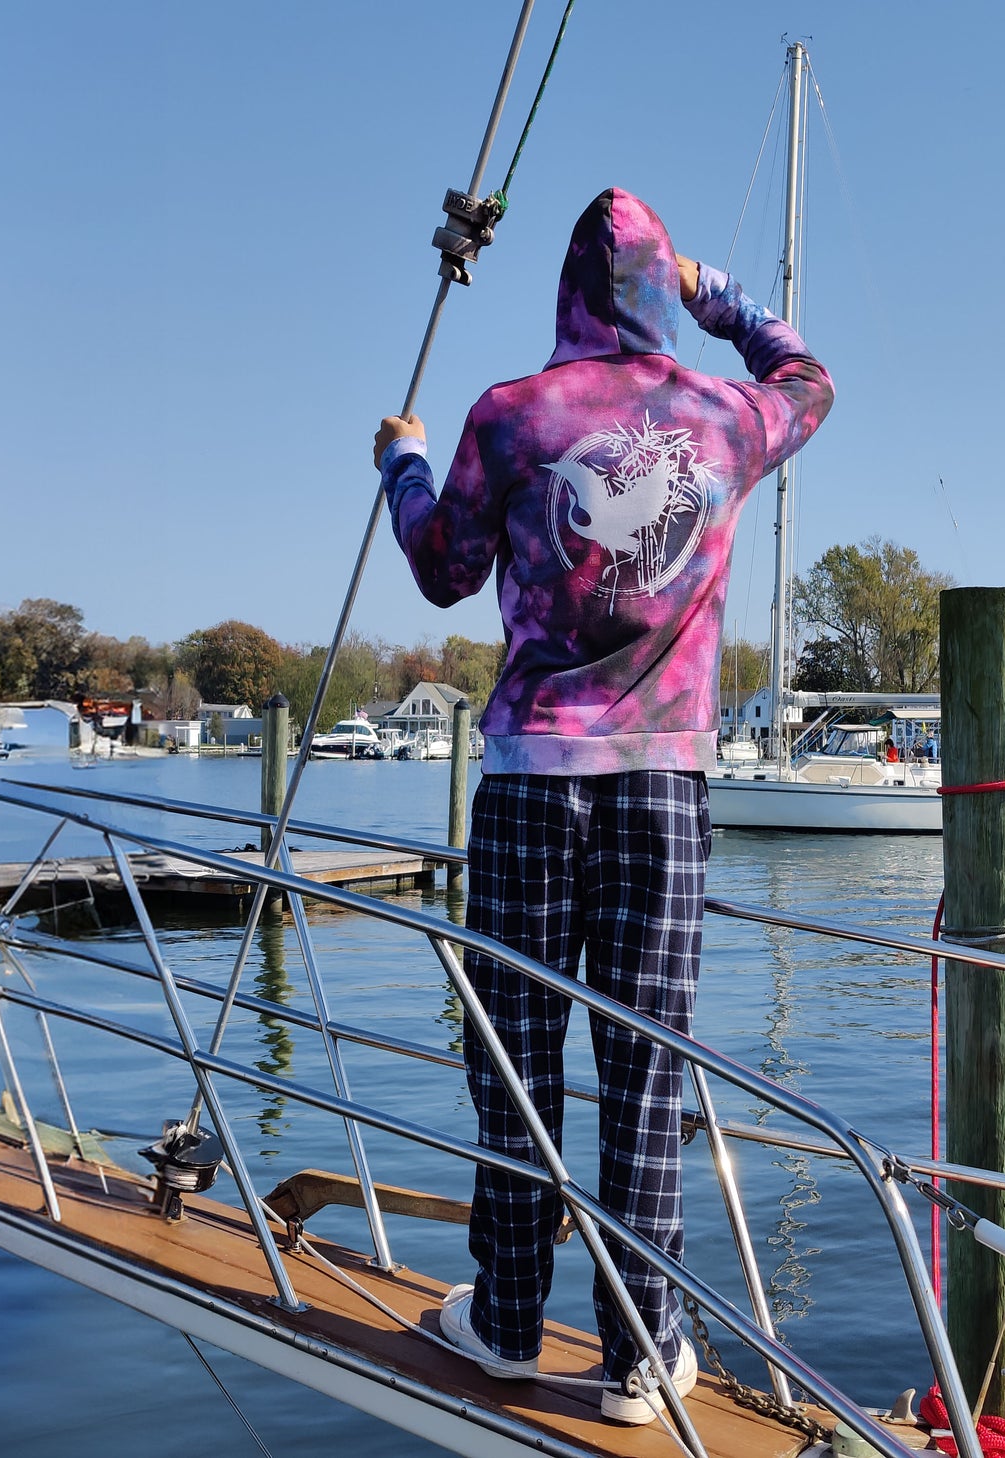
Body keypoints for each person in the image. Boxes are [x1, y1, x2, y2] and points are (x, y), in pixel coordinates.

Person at [374, 188, 832, 1423]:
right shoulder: (727, 418)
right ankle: (640, 1353)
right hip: (665, 783)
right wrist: (717, 291)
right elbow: (809, 375)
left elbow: (438, 569)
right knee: (644, 1065)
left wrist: (401, 464)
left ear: (567, 294)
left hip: (530, 782)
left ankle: (509, 1320)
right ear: (658, 291)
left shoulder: (513, 419)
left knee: (515, 1062)